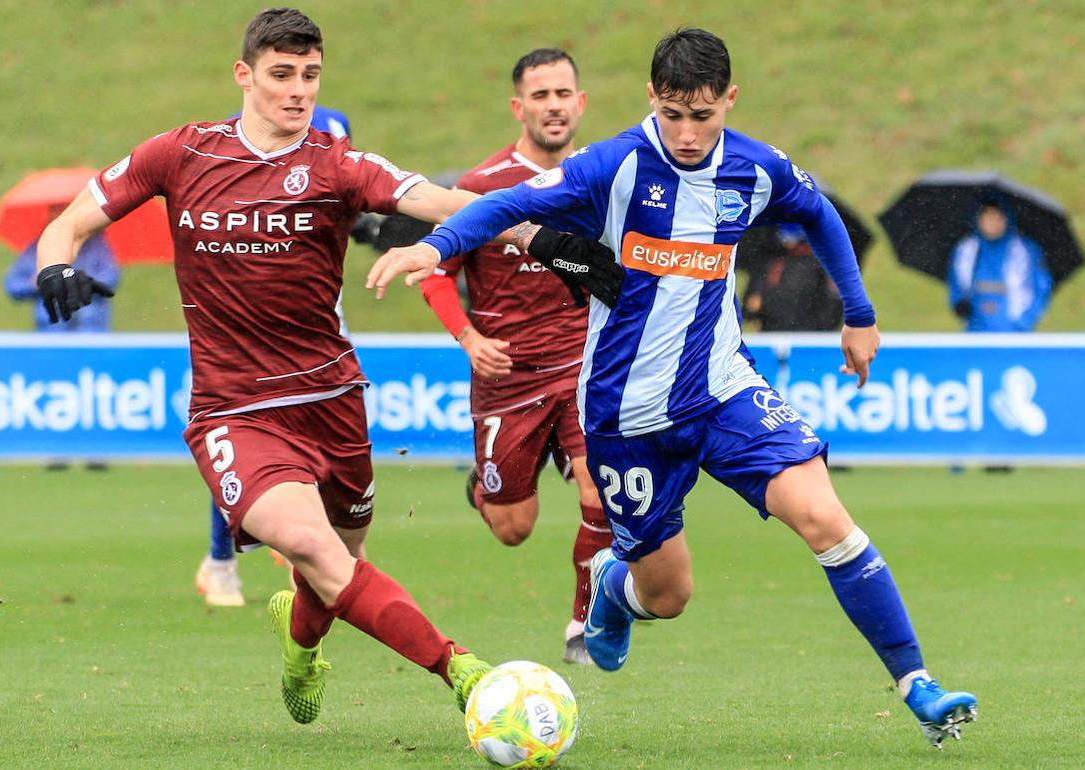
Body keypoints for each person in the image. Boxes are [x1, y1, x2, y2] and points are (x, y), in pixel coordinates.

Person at [368, 27, 978, 749]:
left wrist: (861, 313)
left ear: (729, 100)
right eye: (674, 114)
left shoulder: (756, 167)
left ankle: (918, 684)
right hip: (629, 414)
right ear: (651, 98)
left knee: (827, 520)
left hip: (724, 390)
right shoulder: (613, 165)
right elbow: (502, 205)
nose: (688, 133)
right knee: (668, 594)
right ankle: (614, 590)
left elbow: (820, 215)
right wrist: (433, 246)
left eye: (704, 115)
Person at [32, 7, 613, 724]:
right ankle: (465, 674)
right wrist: (54, 265)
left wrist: (542, 235)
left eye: (309, 75)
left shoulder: (339, 166)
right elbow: (68, 220)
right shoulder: (180, 154)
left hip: (332, 399)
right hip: (233, 408)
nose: (298, 90)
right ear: (244, 76)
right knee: (312, 547)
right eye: (281, 75)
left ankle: (301, 645)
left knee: (336, 563)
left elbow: (442, 199)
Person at [418, 48, 611, 667]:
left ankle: (585, 625)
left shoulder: (604, 179)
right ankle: (485, 489)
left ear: (580, 102)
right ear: (519, 107)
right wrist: (469, 340)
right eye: (541, 95)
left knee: (599, 490)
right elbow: (434, 272)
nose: (553, 106)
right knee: (513, 528)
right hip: (507, 379)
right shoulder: (479, 187)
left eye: (563, 93)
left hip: (585, 366)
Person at [195, 101, 358, 608]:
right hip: (245, 337)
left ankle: (302, 547)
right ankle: (222, 563)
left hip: (322, 330)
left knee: (327, 453)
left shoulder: (336, 135)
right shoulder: (232, 150)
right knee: (242, 447)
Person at [4, 209, 119, 332]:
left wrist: (81, 281)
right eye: (56, 212)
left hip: (90, 327)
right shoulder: (35, 250)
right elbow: (13, 286)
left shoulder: (97, 246)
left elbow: (110, 277)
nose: (60, 219)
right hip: (50, 329)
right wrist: (33, 284)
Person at [948, 199, 1051, 332]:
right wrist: (959, 305)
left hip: (1014, 333)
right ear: (978, 219)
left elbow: (1041, 288)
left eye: (998, 218)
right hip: (975, 332)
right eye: (988, 217)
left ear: (1007, 219)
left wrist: (1023, 323)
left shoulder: (1026, 250)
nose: (993, 223)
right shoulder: (966, 251)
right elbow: (956, 285)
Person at [741, 223, 843, 332]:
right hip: (771, 334)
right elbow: (751, 303)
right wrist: (752, 305)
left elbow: (831, 308)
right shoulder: (771, 262)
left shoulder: (819, 265)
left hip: (807, 335)